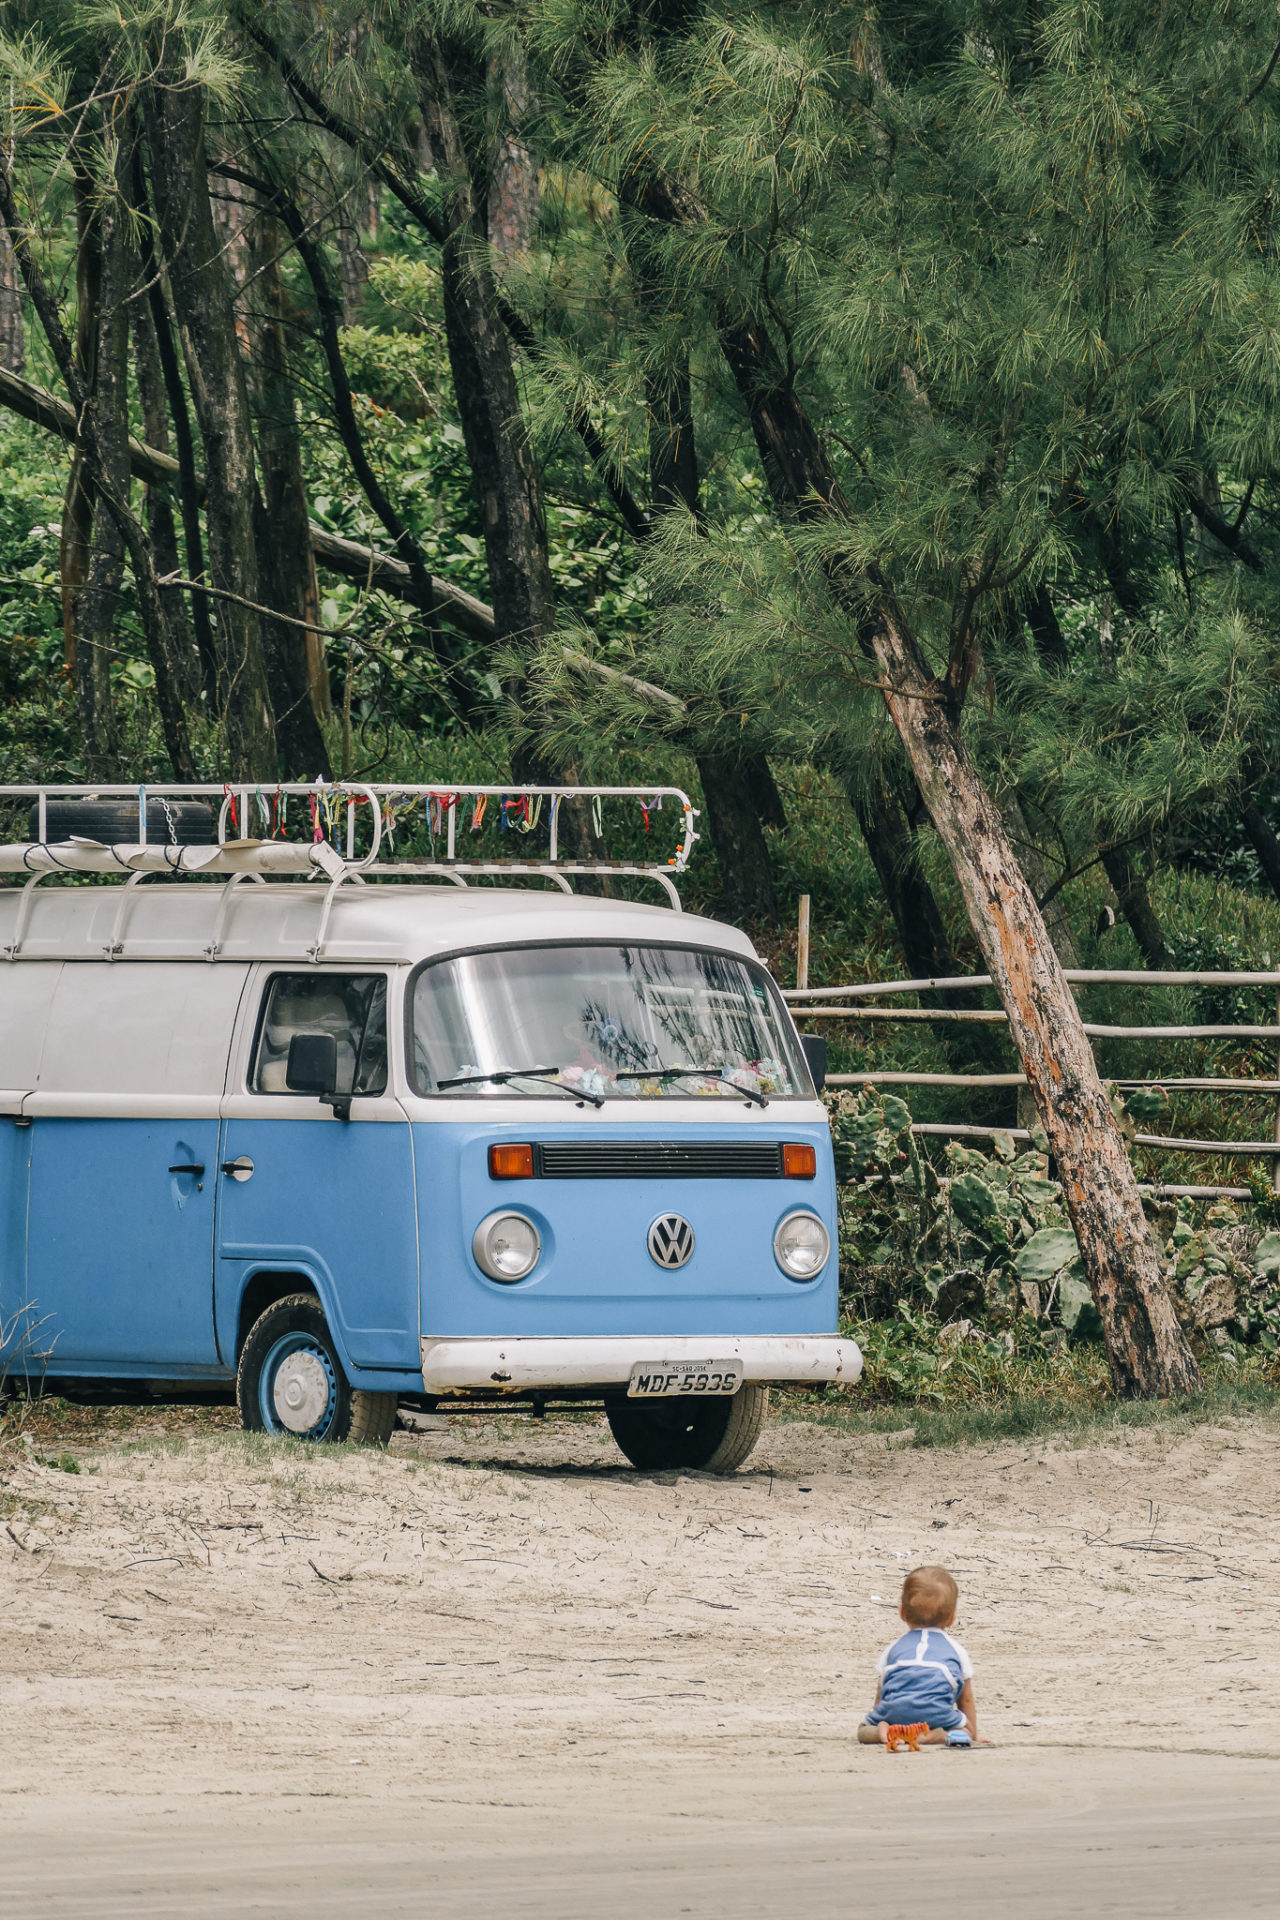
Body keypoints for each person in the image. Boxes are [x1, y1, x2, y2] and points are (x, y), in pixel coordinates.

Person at [857, 1565, 991, 1748]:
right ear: (952, 1619)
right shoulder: (956, 1651)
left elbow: (881, 1693)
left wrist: (879, 1715)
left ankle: (883, 1731)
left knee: (863, 1729)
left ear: (902, 1613)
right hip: (937, 1717)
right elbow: (965, 1699)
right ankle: (938, 1735)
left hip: (894, 1715)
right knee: (964, 1732)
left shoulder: (892, 1649)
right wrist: (972, 1732)